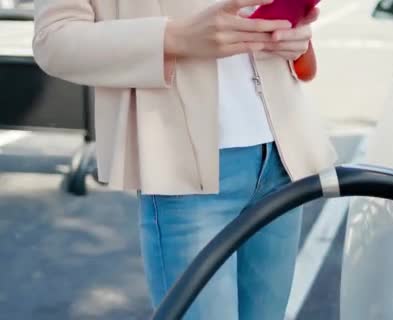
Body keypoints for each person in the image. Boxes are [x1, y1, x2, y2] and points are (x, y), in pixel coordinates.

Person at [32, 0, 337, 319]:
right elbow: (53, 40)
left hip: (282, 158)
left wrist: (296, 38)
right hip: (187, 171)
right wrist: (176, 38)